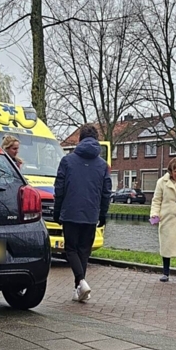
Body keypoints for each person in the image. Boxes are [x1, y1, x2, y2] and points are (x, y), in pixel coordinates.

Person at [53, 124, 112, 302]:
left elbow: (59, 189)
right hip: (91, 214)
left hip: (70, 212)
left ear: (80, 139)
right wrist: (103, 214)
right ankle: (79, 289)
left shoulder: (67, 161)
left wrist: (57, 212)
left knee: (71, 249)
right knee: (84, 251)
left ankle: (81, 282)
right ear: (96, 140)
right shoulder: (103, 165)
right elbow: (106, 192)